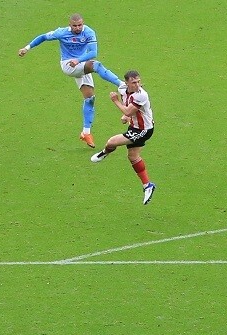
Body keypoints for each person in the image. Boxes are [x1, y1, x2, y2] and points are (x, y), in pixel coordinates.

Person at [18, 13, 123, 148]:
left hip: (80, 63)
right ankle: (121, 84)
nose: (78, 28)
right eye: (75, 26)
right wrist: (26, 48)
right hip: (68, 65)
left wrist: (78, 60)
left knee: (90, 98)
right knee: (96, 65)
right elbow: (43, 37)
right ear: (70, 25)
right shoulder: (61, 33)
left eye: (80, 25)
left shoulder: (89, 32)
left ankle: (86, 133)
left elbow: (93, 52)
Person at [90, 71, 156, 205]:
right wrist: (127, 117)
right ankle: (147, 185)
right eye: (134, 82)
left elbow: (128, 110)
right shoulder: (122, 88)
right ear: (127, 83)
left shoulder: (141, 95)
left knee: (112, 142)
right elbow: (130, 109)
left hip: (143, 130)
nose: (137, 85)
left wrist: (116, 101)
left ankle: (104, 153)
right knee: (133, 157)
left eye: (138, 81)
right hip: (135, 127)